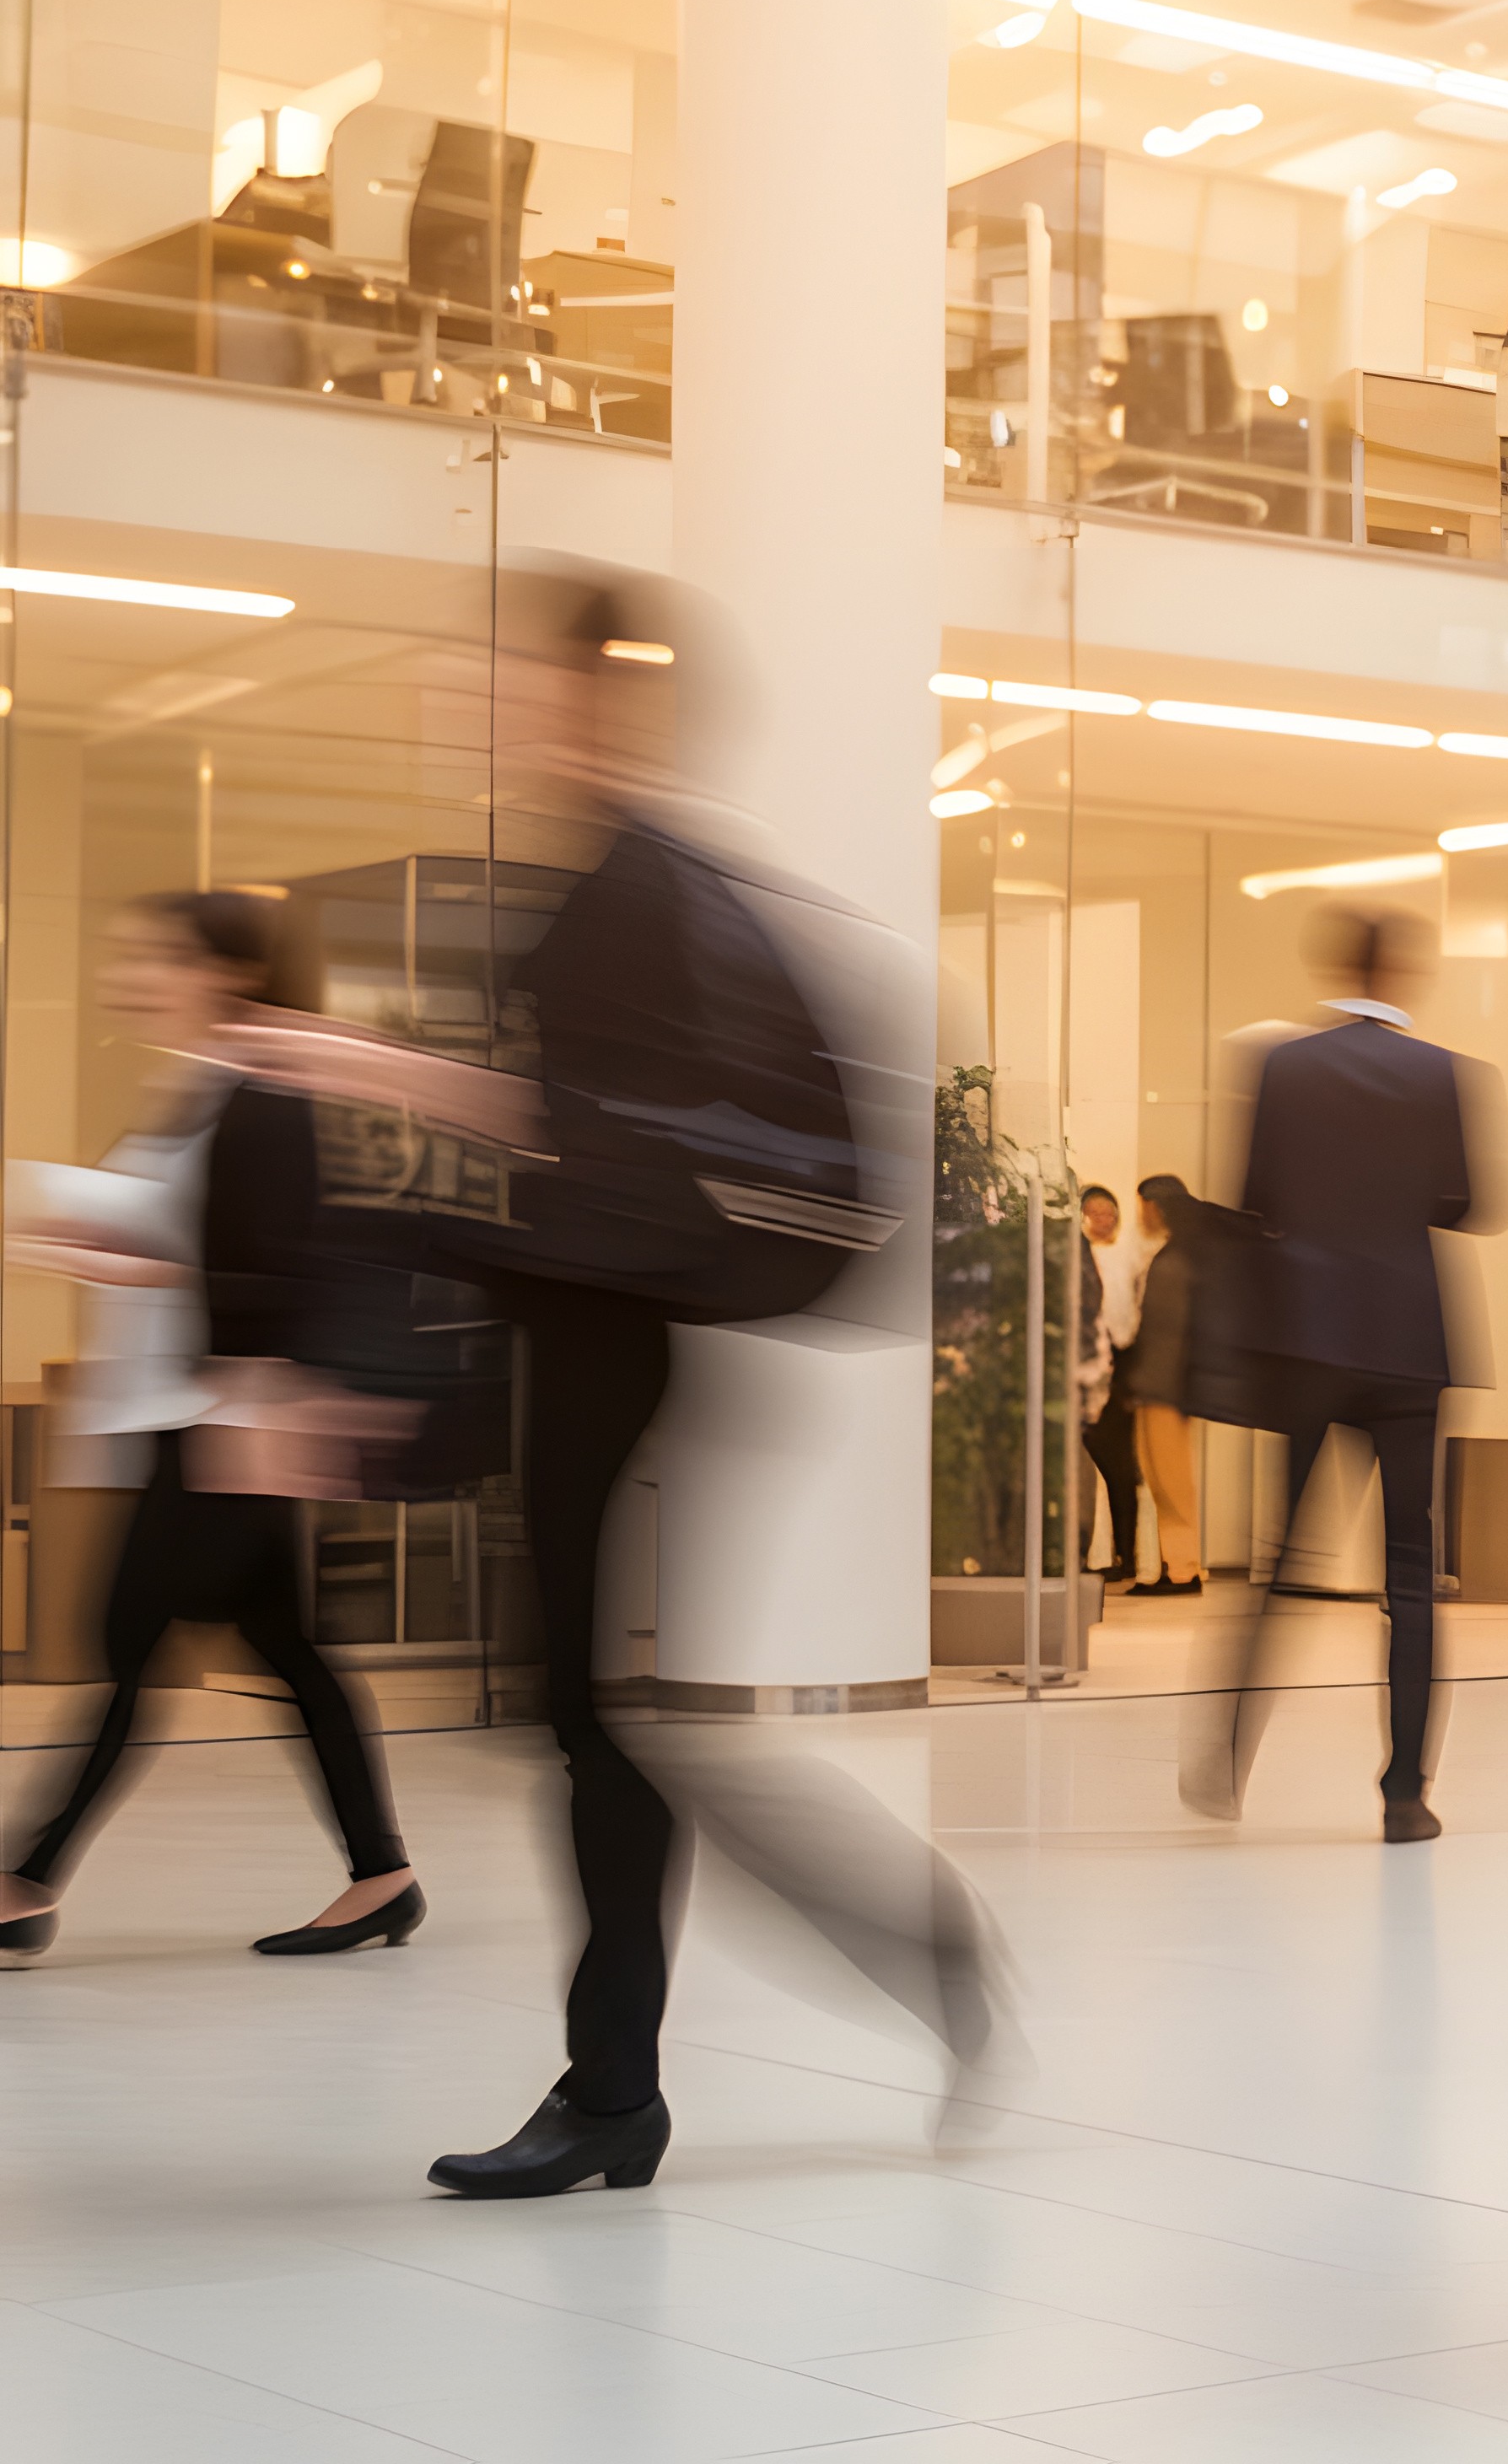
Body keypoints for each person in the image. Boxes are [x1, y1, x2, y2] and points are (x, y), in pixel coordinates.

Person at [393, 572, 998, 2201]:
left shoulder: (639, 891)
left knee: (613, 1731)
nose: (480, 697)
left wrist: (369, 1074)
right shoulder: (615, 884)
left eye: (503, 670)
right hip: (603, 1335)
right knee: (606, 1729)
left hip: (626, 1345)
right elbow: (580, 1126)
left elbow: (593, 1143)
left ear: (594, 694)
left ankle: (637, 2082)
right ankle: (627, 2083)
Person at [0, 895, 424, 1966]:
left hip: (222, 1423)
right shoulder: (198, 1089)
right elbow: (171, 1244)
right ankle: (383, 1873)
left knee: (124, 1642)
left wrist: (258, 1396)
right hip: (187, 1418)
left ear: (229, 971)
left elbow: (274, 1260)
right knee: (286, 1650)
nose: (133, 969)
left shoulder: (263, 1090)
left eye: (157, 953)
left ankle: (25, 1879)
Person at [1194, 907, 1500, 1841]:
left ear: (1334, 963)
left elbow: (1249, 1196)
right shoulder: (1446, 1074)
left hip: (1309, 1340)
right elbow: (1472, 1204)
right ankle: (1405, 1794)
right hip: (1410, 1344)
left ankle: (1227, 1758)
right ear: (1404, 972)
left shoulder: (1282, 1067)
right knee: (1410, 1575)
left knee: (1282, 1558)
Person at [1117, 1175, 1208, 1595]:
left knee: (1169, 1480)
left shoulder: (1176, 1258)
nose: (1142, 1216)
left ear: (1157, 1205)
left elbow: (1166, 1333)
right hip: (1166, 1384)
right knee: (1162, 1476)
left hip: (1165, 1386)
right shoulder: (1182, 1253)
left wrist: (1145, 1382)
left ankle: (1184, 1570)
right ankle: (1181, 1566)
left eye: (1144, 1207)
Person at [1070, 1183, 1145, 1582]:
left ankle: (1126, 1557)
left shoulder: (1127, 1258)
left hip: (1118, 1368)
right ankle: (1082, 1552)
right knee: (1085, 1464)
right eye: (1096, 1211)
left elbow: (1130, 1319)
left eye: (1110, 1211)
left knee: (1119, 1467)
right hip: (1082, 1369)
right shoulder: (1076, 1255)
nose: (1104, 1219)